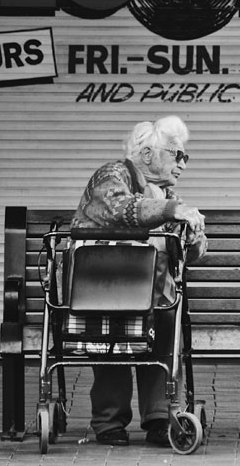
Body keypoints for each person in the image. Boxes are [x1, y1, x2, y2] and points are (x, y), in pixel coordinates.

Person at [71, 115, 207, 447]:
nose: (182, 165)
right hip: (102, 288)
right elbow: (123, 209)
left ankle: (159, 418)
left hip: (151, 292)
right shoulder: (112, 175)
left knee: (163, 329)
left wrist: (193, 236)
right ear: (147, 154)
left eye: (184, 157)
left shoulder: (163, 193)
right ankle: (109, 422)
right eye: (177, 154)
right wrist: (172, 209)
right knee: (111, 343)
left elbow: (192, 250)